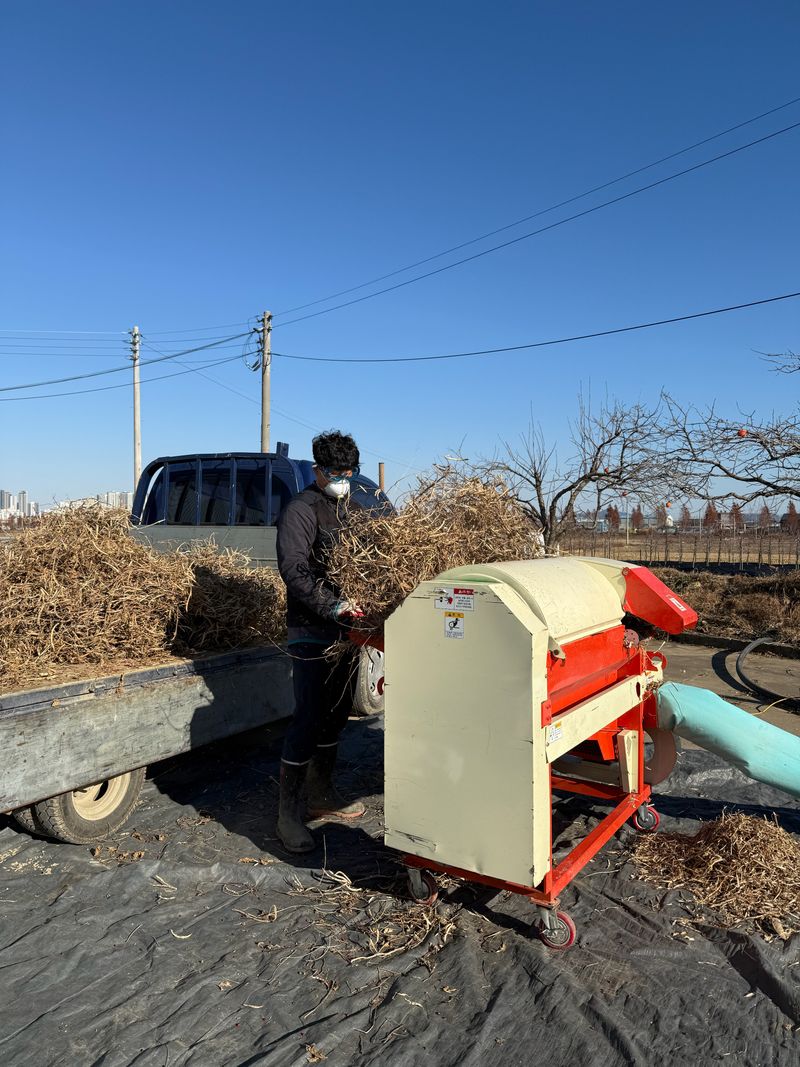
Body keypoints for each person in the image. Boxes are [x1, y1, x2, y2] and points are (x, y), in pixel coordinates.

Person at [275, 430, 367, 853]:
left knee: (336, 713)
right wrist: (330, 606)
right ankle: (288, 814)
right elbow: (294, 570)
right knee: (309, 716)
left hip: (346, 632)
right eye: (336, 473)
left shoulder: (348, 508)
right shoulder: (301, 509)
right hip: (311, 629)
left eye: (349, 473)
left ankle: (321, 795)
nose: (343, 480)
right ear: (318, 470)